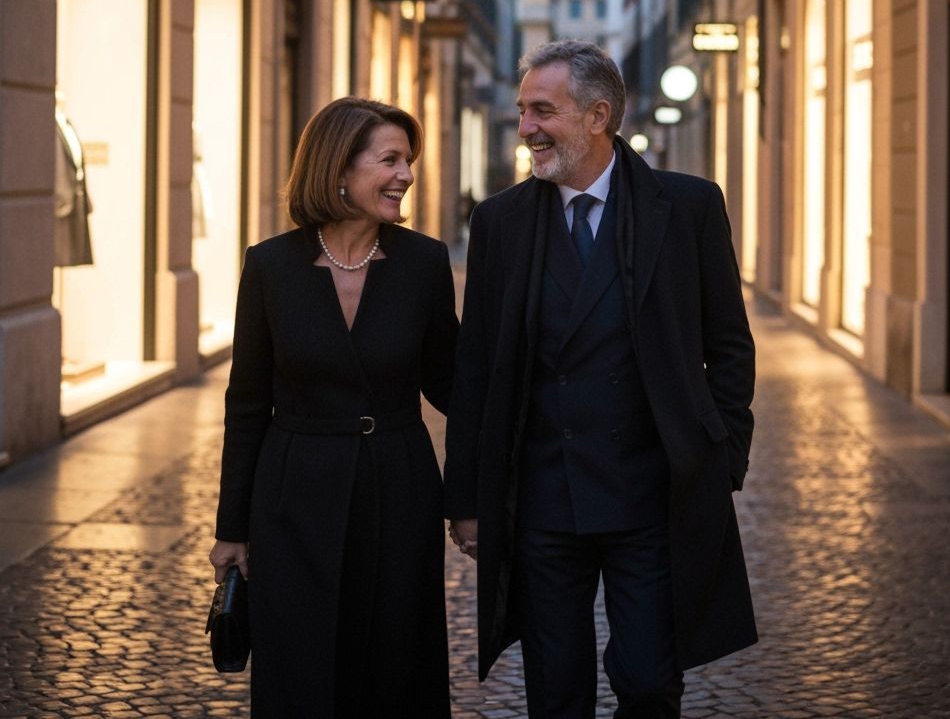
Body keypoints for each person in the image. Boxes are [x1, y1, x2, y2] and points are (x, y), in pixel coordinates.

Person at [444, 42, 756, 719]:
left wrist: (722, 457)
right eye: (524, 109)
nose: (524, 126)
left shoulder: (689, 207)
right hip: (543, 501)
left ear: (598, 115)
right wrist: (467, 497)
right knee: (556, 691)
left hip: (651, 496)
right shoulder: (499, 222)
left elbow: (729, 346)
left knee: (649, 681)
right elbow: (476, 370)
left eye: (541, 110)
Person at [209, 97, 458, 718]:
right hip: (293, 491)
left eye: (409, 160)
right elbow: (246, 404)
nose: (405, 174)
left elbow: (455, 389)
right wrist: (231, 529)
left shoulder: (424, 263)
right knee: (299, 663)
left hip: (399, 485)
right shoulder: (270, 266)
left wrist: (475, 498)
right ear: (338, 169)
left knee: (397, 662)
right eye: (390, 159)